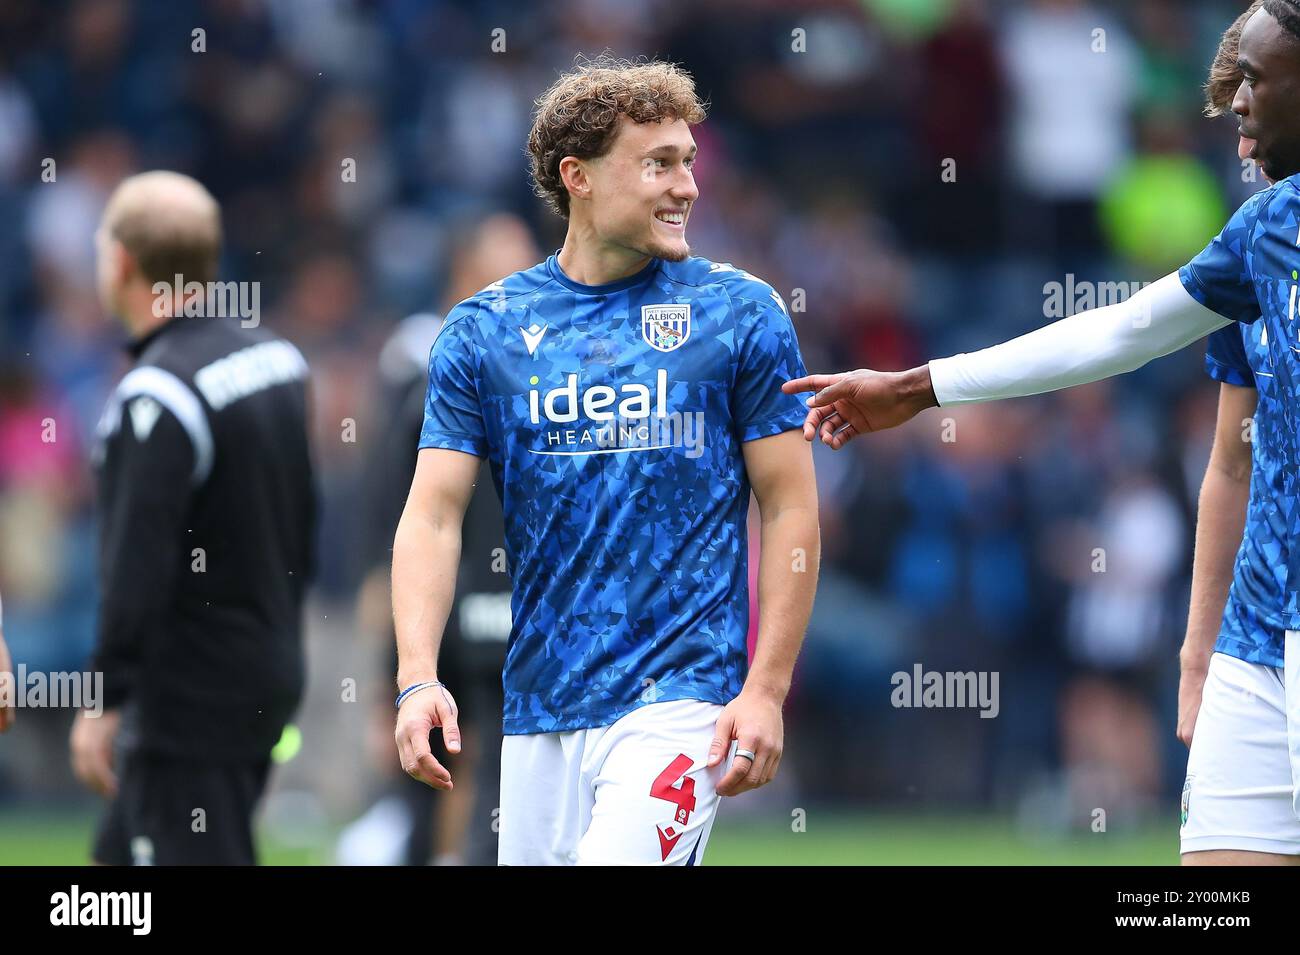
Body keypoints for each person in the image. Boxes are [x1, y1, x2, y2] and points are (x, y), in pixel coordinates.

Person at [784, 1, 1300, 865]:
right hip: (1256, 641)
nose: (1237, 103)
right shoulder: (1265, 231)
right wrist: (921, 387)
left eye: (1255, 77)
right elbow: (1123, 332)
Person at [392, 57, 820, 865]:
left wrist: (764, 689)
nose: (686, 186)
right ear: (577, 175)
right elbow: (434, 512)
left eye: (688, 162)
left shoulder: (741, 316)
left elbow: (791, 505)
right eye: (658, 163)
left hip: (681, 699)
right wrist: (418, 674)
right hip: (540, 706)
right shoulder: (483, 332)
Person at [72, 171, 316, 865]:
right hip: (267, 667)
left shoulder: (157, 397)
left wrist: (103, 696)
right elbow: (305, 528)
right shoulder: (278, 360)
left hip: (190, 702)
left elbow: (133, 567)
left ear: (121, 261)